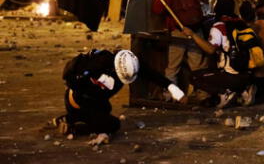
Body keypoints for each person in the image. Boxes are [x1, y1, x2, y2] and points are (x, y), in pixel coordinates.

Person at [52, 49, 184, 144]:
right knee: (113, 125)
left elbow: (151, 74)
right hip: (79, 101)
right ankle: (73, 123)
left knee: (106, 110)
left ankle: (69, 119)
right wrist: (102, 130)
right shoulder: (99, 63)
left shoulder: (132, 63)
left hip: (99, 101)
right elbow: (69, 73)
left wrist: (174, 89)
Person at [183, 0, 257, 108]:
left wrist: (192, 34)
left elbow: (211, 49)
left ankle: (225, 92)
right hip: (248, 74)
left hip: (230, 75)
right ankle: (244, 92)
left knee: (194, 77)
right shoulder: (241, 23)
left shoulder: (219, 26)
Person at [152, 0, 208, 87]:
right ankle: (200, 93)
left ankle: (172, 95)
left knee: (172, 67)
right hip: (195, 32)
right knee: (197, 67)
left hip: (178, 31)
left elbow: (157, 9)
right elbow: (204, 8)